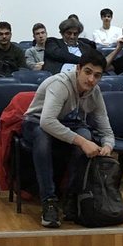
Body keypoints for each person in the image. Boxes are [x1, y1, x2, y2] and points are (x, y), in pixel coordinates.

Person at [21, 48, 113, 228]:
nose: (91, 79)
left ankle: (71, 196)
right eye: (87, 72)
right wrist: (83, 142)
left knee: (86, 134)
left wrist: (108, 146)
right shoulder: (60, 84)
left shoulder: (95, 92)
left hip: (69, 124)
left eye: (97, 76)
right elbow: (47, 122)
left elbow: (105, 128)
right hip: (36, 122)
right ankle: (49, 200)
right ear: (78, 69)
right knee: (43, 137)